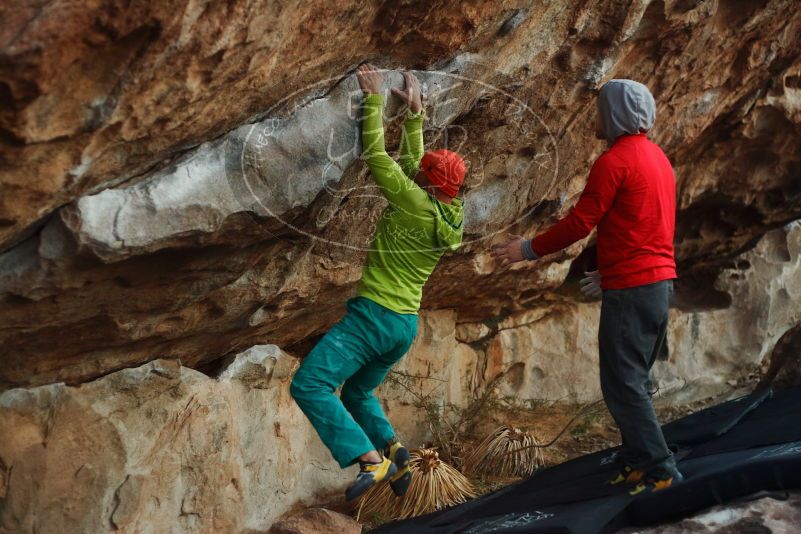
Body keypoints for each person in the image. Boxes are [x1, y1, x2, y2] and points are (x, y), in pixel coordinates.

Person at [492, 79, 682, 495]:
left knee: (624, 384)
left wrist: (527, 249)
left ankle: (661, 471)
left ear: (614, 114)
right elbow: (647, 226)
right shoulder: (658, 159)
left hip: (634, 289)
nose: (596, 117)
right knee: (634, 379)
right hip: (658, 283)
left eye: (601, 109)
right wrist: (612, 274)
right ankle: (636, 463)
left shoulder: (615, 161)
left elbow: (581, 223)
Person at [290, 64, 466, 501]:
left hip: (373, 317)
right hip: (403, 325)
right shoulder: (447, 213)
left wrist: (371, 100)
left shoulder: (413, 202)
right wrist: (415, 115)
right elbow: (412, 164)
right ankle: (396, 451)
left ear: (428, 181)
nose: (418, 172)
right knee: (358, 392)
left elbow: (378, 157)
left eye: (423, 172)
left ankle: (372, 460)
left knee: (309, 385)